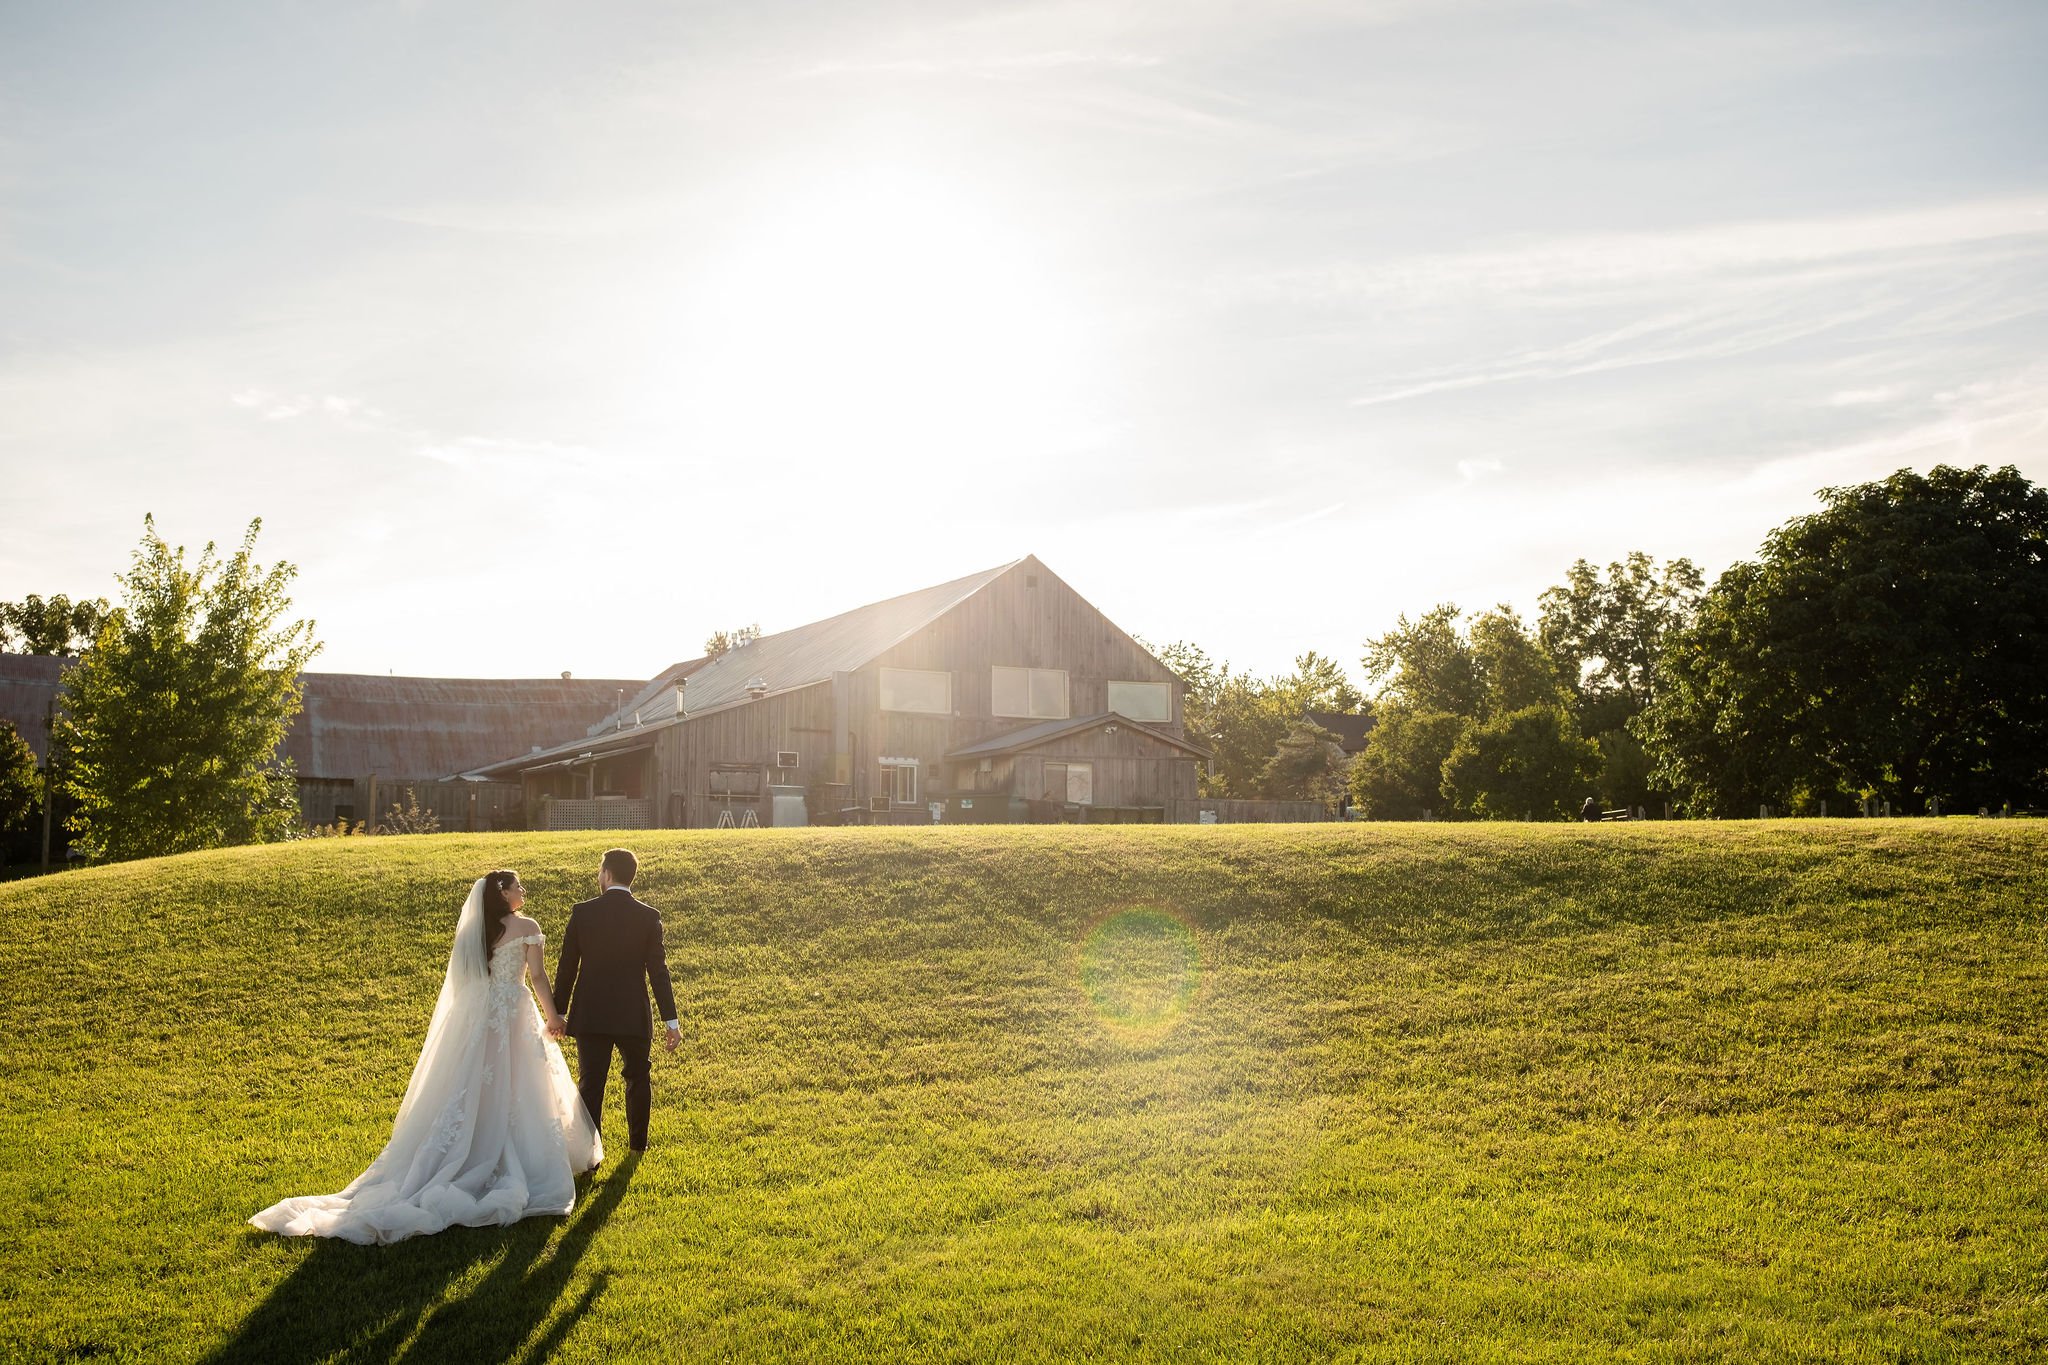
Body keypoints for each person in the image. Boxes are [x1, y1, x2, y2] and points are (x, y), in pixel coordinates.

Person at [249, 871, 602, 1244]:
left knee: (480, 1085)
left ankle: (477, 1148)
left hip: (481, 1016)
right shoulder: (526, 926)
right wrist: (553, 1017)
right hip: (513, 1011)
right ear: (502, 892)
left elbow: (468, 980)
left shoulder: (476, 930)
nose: (523, 892)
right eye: (518, 886)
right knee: (522, 1085)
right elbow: (539, 978)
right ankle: (513, 1158)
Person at [555, 849, 680, 1155]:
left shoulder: (582, 912)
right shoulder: (649, 916)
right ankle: (638, 1146)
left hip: (591, 1014)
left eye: (600, 871)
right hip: (632, 1014)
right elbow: (658, 972)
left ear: (607, 874)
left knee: (590, 1084)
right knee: (638, 1078)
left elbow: (567, 965)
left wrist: (559, 1011)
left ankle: (589, 1153)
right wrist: (671, 1021)